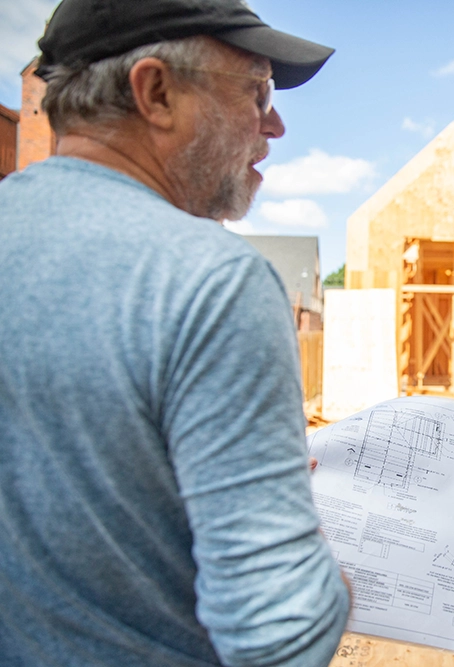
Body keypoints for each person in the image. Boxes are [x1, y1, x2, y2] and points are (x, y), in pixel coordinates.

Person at [0, 1, 350, 664]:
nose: (274, 125)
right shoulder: (211, 282)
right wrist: (321, 570)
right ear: (156, 92)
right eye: (258, 91)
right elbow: (282, 637)